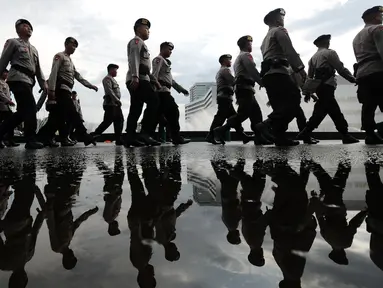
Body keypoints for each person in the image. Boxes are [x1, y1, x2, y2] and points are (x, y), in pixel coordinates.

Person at [297, 34, 359, 144]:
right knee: (334, 111)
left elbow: (310, 77)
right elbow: (340, 68)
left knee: (321, 111)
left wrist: (307, 92)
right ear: (326, 42)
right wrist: (352, 79)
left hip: (319, 88)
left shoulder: (312, 58)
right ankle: (345, 134)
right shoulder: (330, 53)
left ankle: (306, 131)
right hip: (328, 86)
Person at [257, 8, 306, 146]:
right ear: (277, 19)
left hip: (269, 76)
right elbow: (289, 51)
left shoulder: (264, 40)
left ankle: (279, 137)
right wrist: (300, 69)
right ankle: (267, 124)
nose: (283, 20)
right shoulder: (279, 31)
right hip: (280, 73)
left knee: (279, 106)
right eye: (282, 17)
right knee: (294, 99)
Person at [214, 36, 271, 145]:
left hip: (245, 89)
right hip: (245, 89)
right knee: (243, 114)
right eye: (250, 43)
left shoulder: (238, 59)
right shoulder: (245, 56)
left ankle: (259, 138)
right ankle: (221, 130)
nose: (251, 45)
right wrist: (261, 82)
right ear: (246, 44)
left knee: (256, 114)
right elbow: (252, 70)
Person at [0, 19, 47, 149]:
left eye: (30, 26)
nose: (28, 27)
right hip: (17, 78)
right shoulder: (13, 42)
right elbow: (3, 60)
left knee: (22, 112)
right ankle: (30, 139)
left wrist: (43, 85)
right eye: (25, 26)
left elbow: (38, 69)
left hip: (29, 81)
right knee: (31, 107)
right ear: (18, 29)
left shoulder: (34, 50)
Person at [43, 37, 97, 147]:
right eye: (72, 45)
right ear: (66, 44)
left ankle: (46, 137)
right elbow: (53, 73)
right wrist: (51, 91)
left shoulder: (71, 62)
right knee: (72, 113)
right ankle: (84, 135)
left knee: (57, 117)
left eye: (75, 47)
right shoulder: (60, 56)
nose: (74, 48)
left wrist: (90, 86)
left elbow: (78, 76)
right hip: (60, 89)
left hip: (67, 89)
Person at [124, 18, 161, 147]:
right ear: (138, 29)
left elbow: (145, 66)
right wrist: (135, 77)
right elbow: (133, 59)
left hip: (141, 77)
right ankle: (145, 133)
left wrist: (153, 80)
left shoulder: (141, 43)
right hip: (138, 78)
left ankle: (130, 137)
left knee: (136, 108)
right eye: (146, 28)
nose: (148, 31)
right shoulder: (136, 42)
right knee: (154, 101)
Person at [206, 54, 253, 145]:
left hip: (225, 97)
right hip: (225, 98)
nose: (230, 61)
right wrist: (242, 79)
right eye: (229, 60)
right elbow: (233, 81)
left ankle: (243, 136)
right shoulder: (225, 70)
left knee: (232, 117)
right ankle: (211, 135)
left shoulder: (220, 71)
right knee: (221, 118)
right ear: (224, 61)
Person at [353, 6, 383, 144]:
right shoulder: (377, 29)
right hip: (377, 71)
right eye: (379, 14)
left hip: (362, 74)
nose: (381, 17)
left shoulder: (356, 37)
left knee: (368, 105)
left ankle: (370, 134)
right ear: (373, 17)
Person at [151, 41, 191, 145]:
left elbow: (171, 81)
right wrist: (156, 88)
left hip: (165, 91)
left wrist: (181, 90)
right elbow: (154, 75)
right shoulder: (158, 59)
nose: (170, 52)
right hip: (162, 91)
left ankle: (148, 136)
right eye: (169, 49)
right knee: (173, 112)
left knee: (157, 115)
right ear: (163, 49)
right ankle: (176, 137)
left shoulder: (165, 63)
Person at [91, 64, 124, 145]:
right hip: (110, 104)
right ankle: (93, 136)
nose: (116, 72)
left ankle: (118, 139)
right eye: (115, 70)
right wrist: (116, 100)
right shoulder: (107, 79)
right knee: (107, 122)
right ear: (111, 70)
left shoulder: (113, 79)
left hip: (115, 104)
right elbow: (109, 90)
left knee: (119, 121)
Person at [0, 69, 19, 148]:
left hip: (6, 107)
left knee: (10, 121)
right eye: (5, 72)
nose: (7, 74)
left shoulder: (6, 84)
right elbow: (0, 93)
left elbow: (7, 94)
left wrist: (10, 100)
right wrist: (8, 101)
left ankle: (9, 139)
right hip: (1, 106)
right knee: (9, 121)